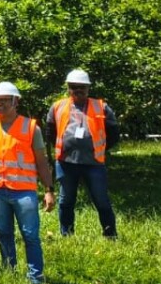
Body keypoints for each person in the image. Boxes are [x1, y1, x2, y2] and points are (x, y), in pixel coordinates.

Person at [0, 82, 55, 284]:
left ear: (15, 101)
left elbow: (41, 161)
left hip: (23, 192)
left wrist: (48, 190)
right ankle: (9, 271)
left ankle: (35, 278)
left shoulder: (31, 128)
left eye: (4, 100)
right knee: (4, 233)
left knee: (30, 235)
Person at [43, 69, 120, 238]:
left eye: (82, 87)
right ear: (68, 88)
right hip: (66, 163)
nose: (78, 90)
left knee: (101, 201)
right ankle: (67, 235)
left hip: (94, 163)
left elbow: (114, 134)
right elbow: (50, 133)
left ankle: (110, 235)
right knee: (66, 201)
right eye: (74, 87)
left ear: (88, 88)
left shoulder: (102, 107)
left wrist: (99, 148)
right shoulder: (57, 107)